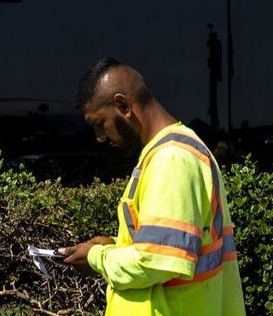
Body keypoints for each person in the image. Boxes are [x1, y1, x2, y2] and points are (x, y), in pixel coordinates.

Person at [60, 58, 245, 316]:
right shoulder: (169, 153)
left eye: (99, 123)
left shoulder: (172, 159)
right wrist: (114, 246)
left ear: (122, 105)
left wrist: (97, 257)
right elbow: (164, 250)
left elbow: (156, 261)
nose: (99, 137)